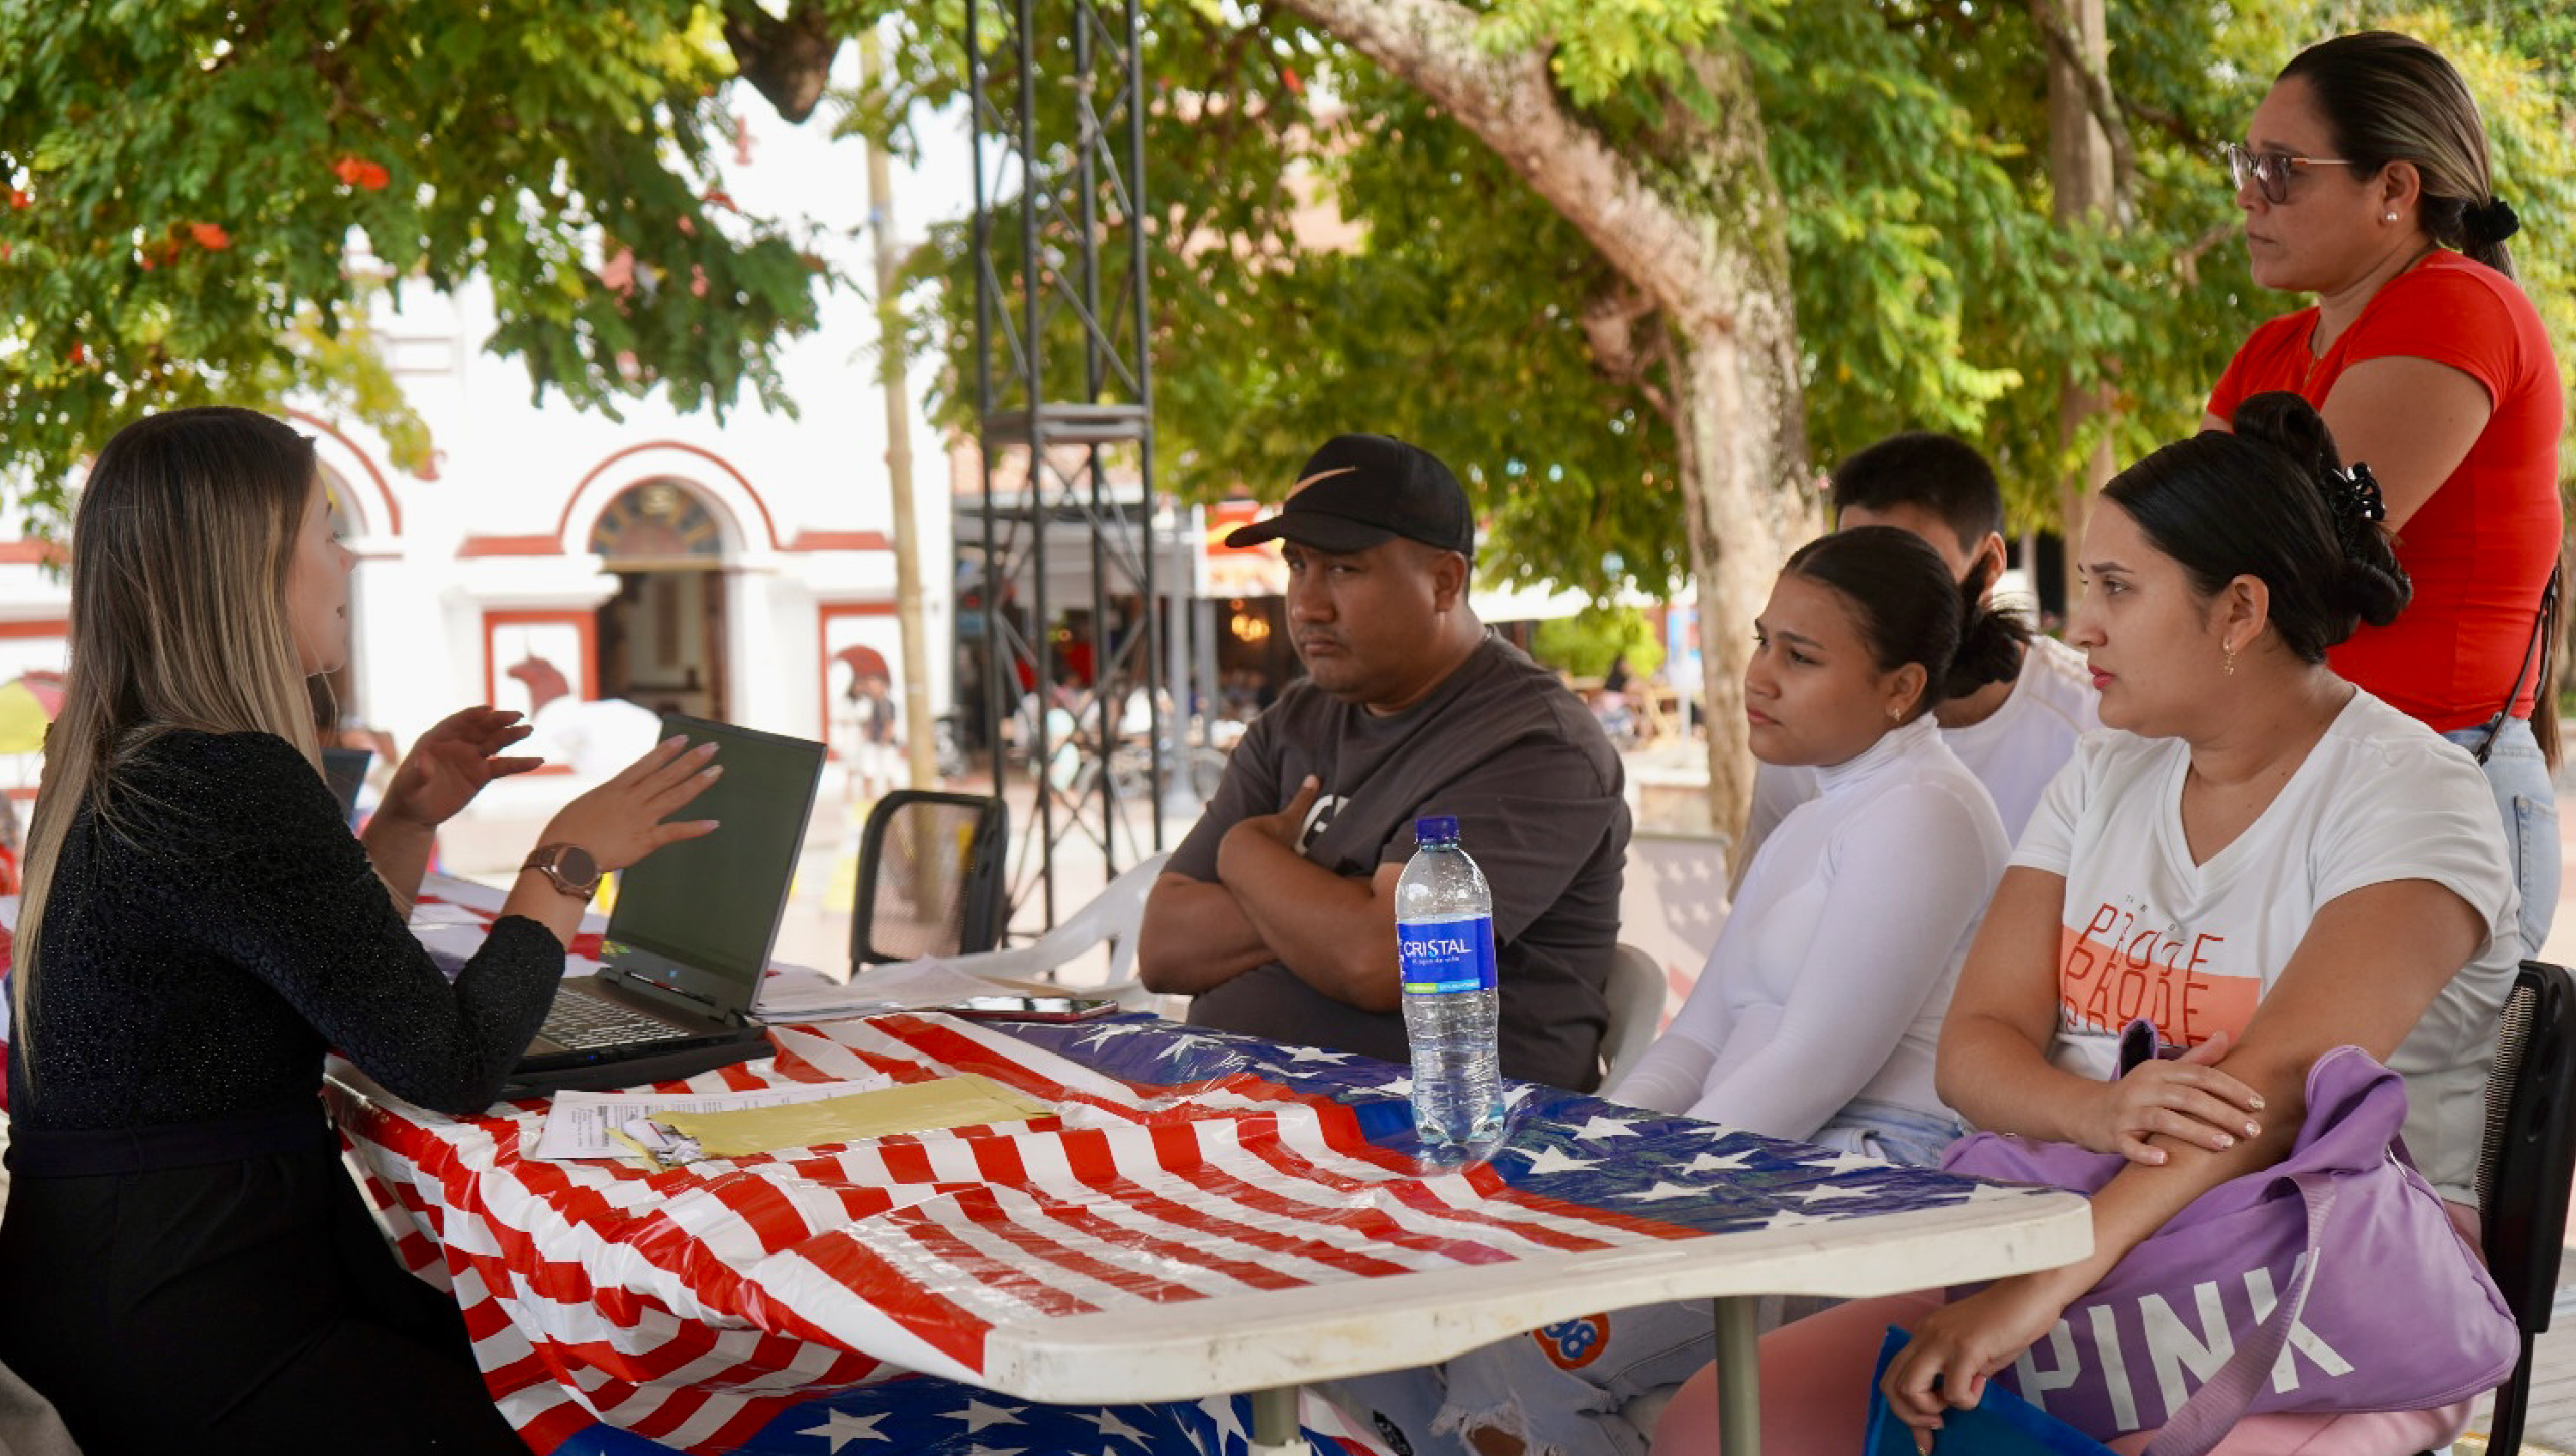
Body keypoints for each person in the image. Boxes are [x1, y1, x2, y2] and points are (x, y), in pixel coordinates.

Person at [1653, 393, 2519, 1455]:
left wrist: (2031, 1295)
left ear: (2239, 611)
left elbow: (2275, 1094)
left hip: (2312, 1282)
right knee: (1714, 1426)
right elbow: (1977, 1048)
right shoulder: (2106, 768)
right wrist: (2096, 1118)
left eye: (2116, 587)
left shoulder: (2411, 791)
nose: (2080, 625)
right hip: (2062, 1224)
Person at [0, 407, 724, 1452]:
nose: (346, 564)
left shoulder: (129, 757)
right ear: (249, 572)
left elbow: (339, 979)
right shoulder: (221, 776)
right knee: (565, 1418)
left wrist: (407, 818)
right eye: (326, 533)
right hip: (186, 1319)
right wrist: (565, 864)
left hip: (114, 1282)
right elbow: (451, 1060)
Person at [1336, 526, 2020, 1456]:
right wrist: (1572, 1158)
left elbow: (1809, 1068)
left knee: (1526, 1341)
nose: (1760, 676)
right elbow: (1696, 1041)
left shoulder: (1927, 814)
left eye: (1801, 656)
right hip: (1748, 1166)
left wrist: (1617, 1197)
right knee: (1403, 1294)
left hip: (1851, 1193)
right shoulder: (1819, 815)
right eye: (1762, 642)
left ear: (1901, 689)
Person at [2205, 30, 2562, 954]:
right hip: (2309, 781)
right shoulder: (2271, 352)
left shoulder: (2457, 303)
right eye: (2246, 161)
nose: (2248, 192)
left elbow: (2282, 560)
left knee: (2399, 1106)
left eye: (2282, 168)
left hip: (2430, 785)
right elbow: (2177, 551)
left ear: (2395, 191)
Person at [1136, 433, 1627, 1094]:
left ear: (1444, 581)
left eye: (1344, 569)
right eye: (1299, 565)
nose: (1309, 604)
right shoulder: (1296, 720)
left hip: (1453, 1148)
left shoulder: (1534, 743)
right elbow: (1164, 948)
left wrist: (1245, 854)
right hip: (1242, 1121)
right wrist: (1327, 912)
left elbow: (1376, 961)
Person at [1738, 431, 2099, 871]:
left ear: (1989, 566)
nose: (1873, 606)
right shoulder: (1802, 724)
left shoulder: (2096, 723)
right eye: (1852, 572)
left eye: (1915, 571)